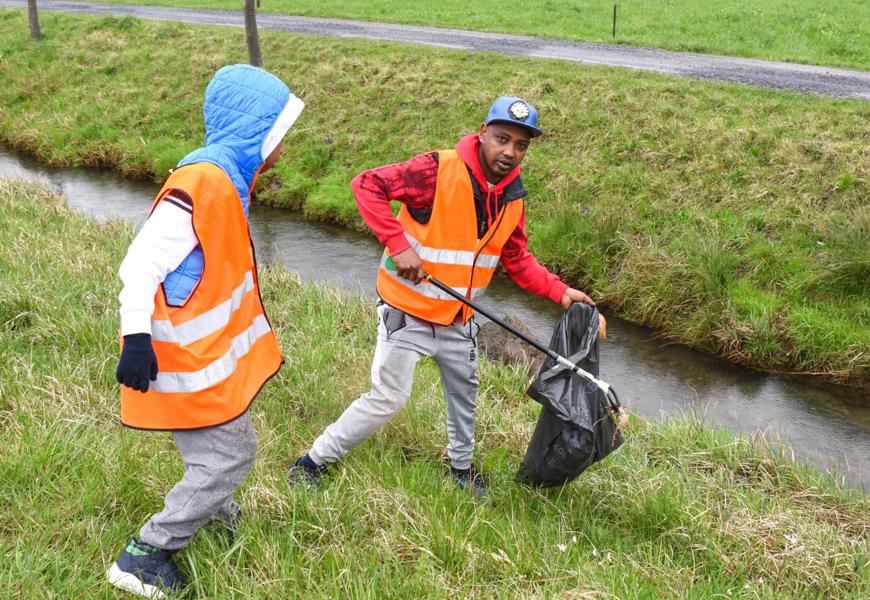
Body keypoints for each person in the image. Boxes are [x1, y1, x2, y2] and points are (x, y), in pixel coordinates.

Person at [289, 96, 594, 495]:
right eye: (502, 138)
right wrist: (399, 245)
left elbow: (517, 259)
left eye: (521, 145)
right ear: (483, 133)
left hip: (458, 320)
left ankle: (460, 470)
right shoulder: (435, 170)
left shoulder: (512, 199)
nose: (510, 152)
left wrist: (560, 292)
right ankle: (312, 461)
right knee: (387, 399)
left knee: (465, 393)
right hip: (407, 314)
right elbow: (366, 185)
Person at [107, 64, 304, 598]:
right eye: (278, 132)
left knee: (213, 449)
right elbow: (140, 265)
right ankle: (147, 553)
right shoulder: (201, 183)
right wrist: (136, 341)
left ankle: (213, 513)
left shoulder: (227, 179)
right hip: (183, 359)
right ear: (255, 132)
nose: (283, 143)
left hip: (205, 356)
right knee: (231, 454)